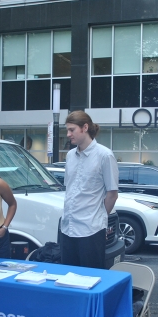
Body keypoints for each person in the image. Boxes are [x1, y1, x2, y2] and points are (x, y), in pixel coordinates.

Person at [60, 110, 119, 269]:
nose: (68, 134)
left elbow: (112, 194)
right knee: (67, 279)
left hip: (91, 231)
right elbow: (70, 189)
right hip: (67, 228)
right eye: (67, 130)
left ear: (85, 128)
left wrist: (99, 217)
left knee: (90, 280)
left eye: (72, 130)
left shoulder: (105, 155)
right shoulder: (70, 156)